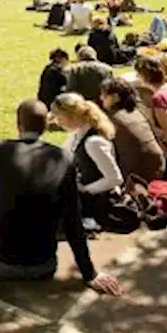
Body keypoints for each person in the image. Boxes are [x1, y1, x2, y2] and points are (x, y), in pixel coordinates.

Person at [0, 100, 122, 295]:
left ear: (18, 125)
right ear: (46, 126)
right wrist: (90, 274)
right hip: (44, 265)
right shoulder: (64, 159)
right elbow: (73, 220)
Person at [51, 93, 142, 233]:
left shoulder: (93, 143)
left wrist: (85, 190)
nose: (57, 122)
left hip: (98, 199)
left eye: (59, 117)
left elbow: (115, 178)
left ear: (72, 116)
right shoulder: (77, 134)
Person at [99, 77, 166, 183]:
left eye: (104, 95)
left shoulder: (113, 119)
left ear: (115, 97)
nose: (101, 98)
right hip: (160, 165)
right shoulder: (139, 110)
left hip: (137, 175)